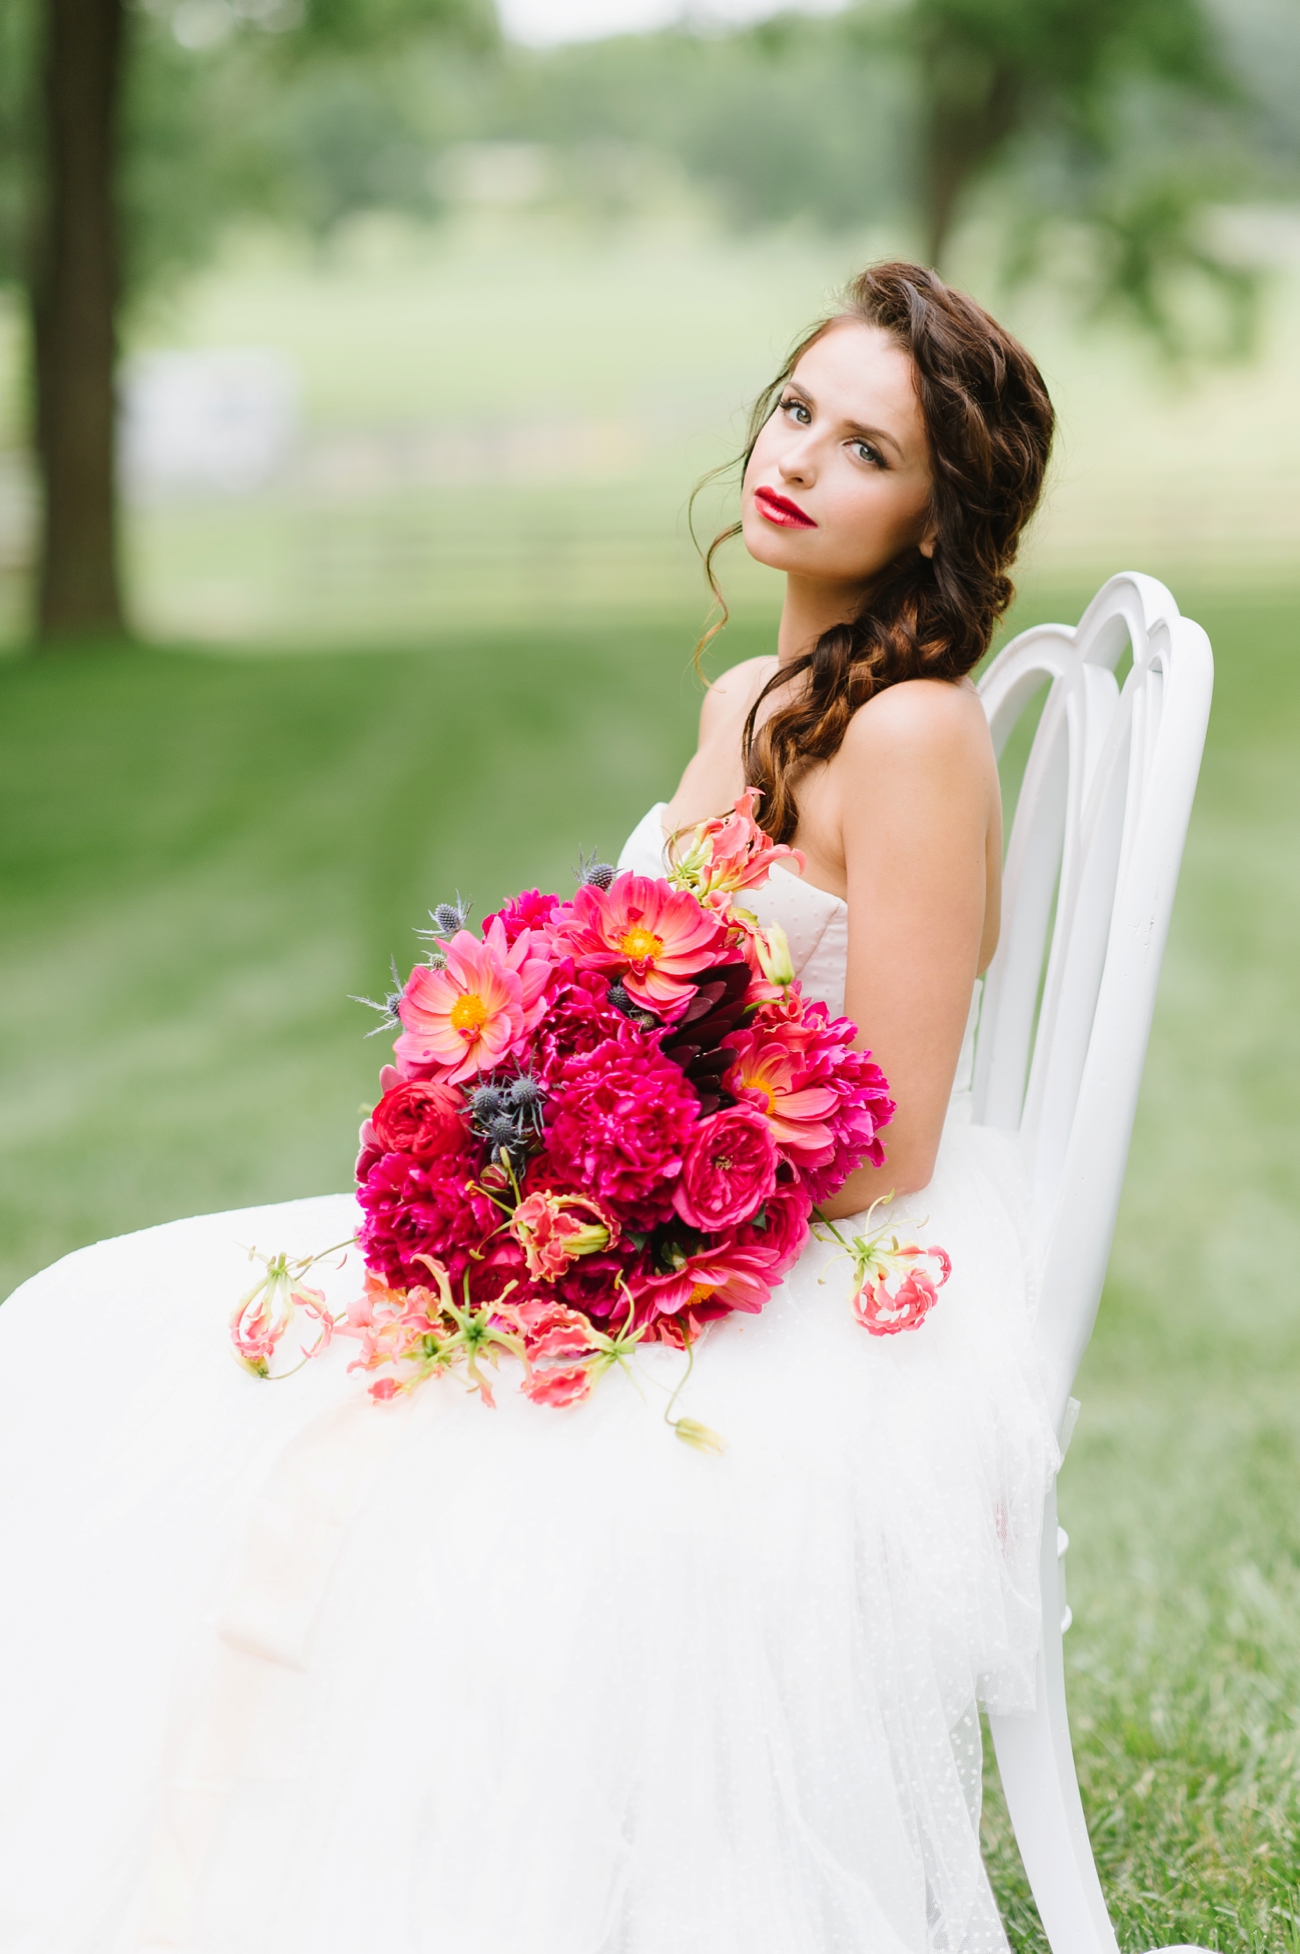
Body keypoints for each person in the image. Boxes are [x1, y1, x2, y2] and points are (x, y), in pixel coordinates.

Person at [0, 262, 1060, 1954]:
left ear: (941, 515)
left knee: (406, 1447)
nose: (799, 456)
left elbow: (899, 1142)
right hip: (630, 1217)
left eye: (868, 448)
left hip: (801, 1267)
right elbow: (643, 987)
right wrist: (518, 1131)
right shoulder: (746, 707)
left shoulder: (918, 733)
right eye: (797, 408)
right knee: (102, 1320)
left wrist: (619, 1209)